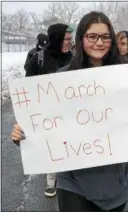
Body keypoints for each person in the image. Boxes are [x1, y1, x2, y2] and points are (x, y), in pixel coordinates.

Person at [11, 11, 128, 211]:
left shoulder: (126, 76)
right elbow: (45, 124)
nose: (99, 42)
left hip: (116, 184)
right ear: (81, 39)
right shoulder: (62, 79)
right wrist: (23, 134)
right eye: (92, 36)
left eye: (105, 37)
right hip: (73, 183)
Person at [14, 23, 74, 198]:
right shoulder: (38, 59)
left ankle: (68, 177)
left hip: (69, 112)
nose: (70, 43)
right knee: (51, 145)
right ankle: (51, 179)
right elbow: (28, 87)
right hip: (46, 114)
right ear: (56, 39)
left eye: (71, 39)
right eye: (66, 40)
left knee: (68, 144)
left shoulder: (74, 59)